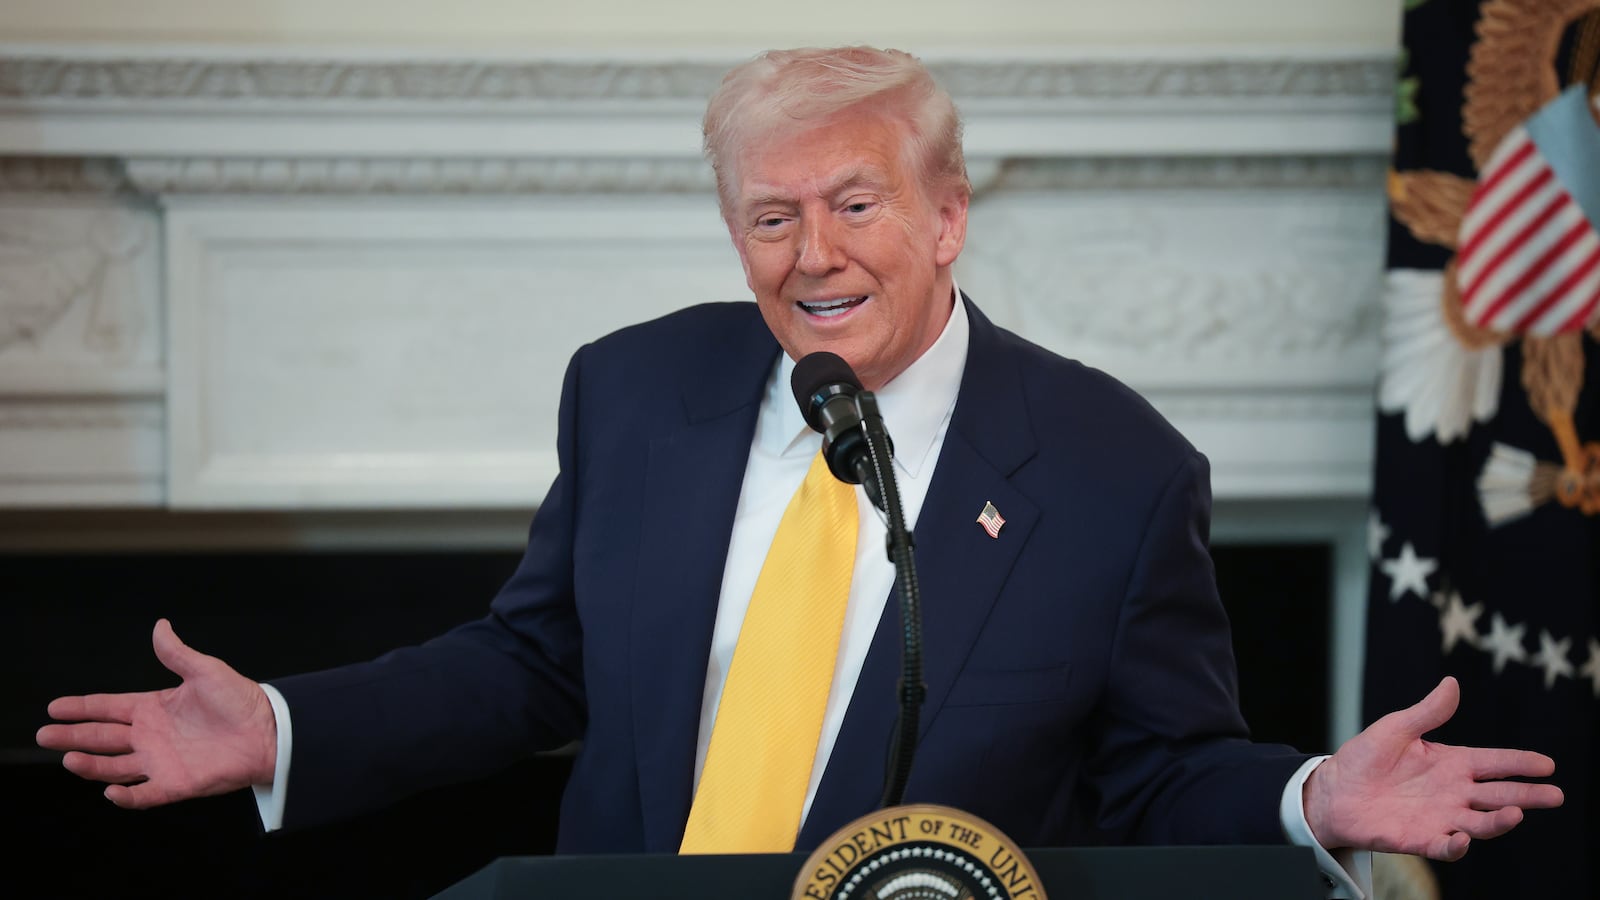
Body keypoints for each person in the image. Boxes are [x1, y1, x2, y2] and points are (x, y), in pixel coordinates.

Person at [38, 46, 1560, 897]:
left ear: (948, 215)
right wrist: (289, 727)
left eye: (854, 203)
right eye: (770, 216)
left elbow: (1154, 769)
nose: (812, 254)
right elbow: (535, 663)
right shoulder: (637, 390)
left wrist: (1311, 793)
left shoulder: (1115, 470)